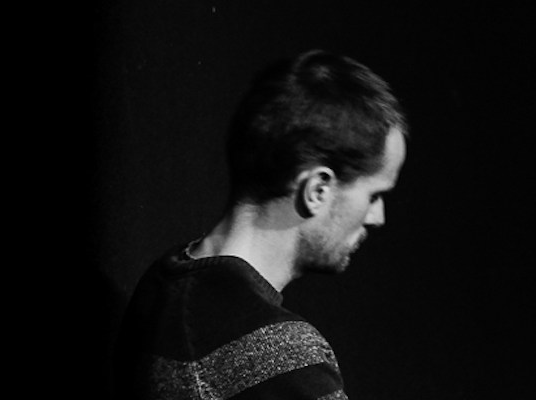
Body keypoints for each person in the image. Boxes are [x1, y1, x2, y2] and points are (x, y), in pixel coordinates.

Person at [113, 49, 408, 400]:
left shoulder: (161, 285)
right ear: (317, 189)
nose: (378, 217)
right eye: (374, 195)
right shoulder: (285, 358)